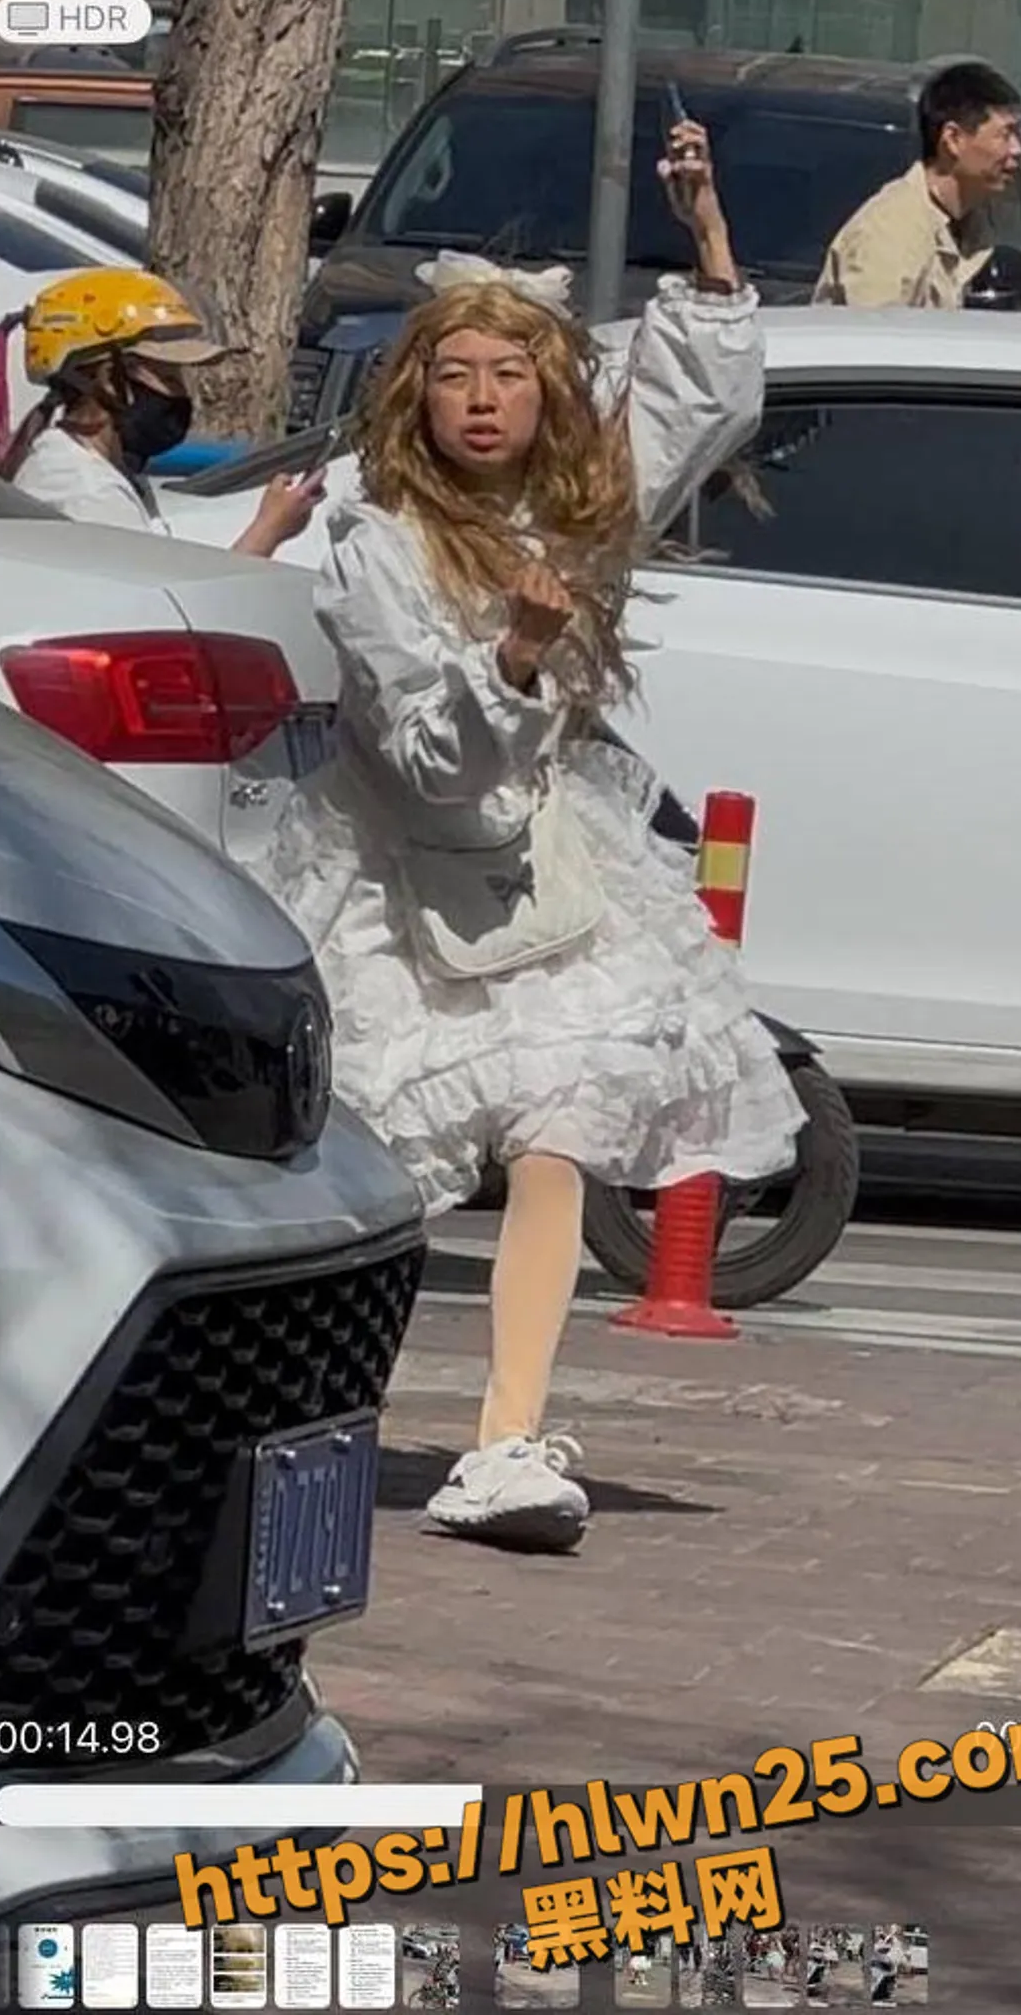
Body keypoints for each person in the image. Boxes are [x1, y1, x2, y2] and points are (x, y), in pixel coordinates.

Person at [260, 113, 806, 1553]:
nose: (484, 399)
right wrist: (509, 661)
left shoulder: (577, 516)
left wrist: (707, 239)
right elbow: (429, 761)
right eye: (456, 374)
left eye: (510, 373)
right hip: (390, 888)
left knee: (562, 1124)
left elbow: (690, 406)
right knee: (366, 1174)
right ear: (415, 395)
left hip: (551, 878)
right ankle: (292, 1420)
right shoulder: (376, 541)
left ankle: (506, 1440)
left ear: (548, 389)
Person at [0, 267, 324, 556]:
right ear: (109, 381)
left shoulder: (92, 470)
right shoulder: (90, 494)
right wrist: (270, 529)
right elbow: (161, 604)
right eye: (168, 378)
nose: (181, 395)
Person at [814, 60, 1021, 309]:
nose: (1017, 149)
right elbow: (875, 331)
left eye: (1018, 134)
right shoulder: (889, 235)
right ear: (953, 139)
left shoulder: (972, 224)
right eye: (1005, 134)